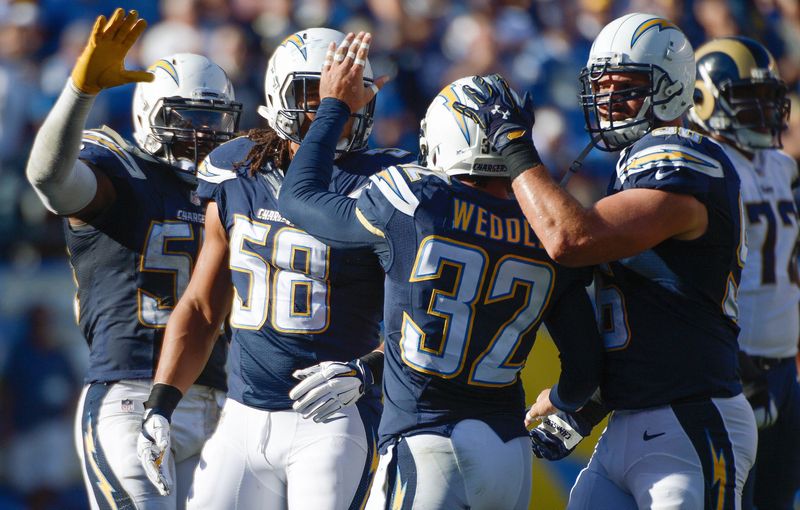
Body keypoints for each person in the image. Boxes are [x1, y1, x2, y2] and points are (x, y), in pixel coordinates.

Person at [277, 32, 604, 509]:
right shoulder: (550, 230)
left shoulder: (416, 203)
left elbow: (297, 198)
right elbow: (585, 369)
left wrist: (332, 108)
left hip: (425, 442)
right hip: (509, 455)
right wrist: (564, 403)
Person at [457, 12, 758, 509]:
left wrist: (514, 148)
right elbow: (647, 318)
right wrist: (584, 405)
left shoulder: (682, 156)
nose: (610, 101)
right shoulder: (632, 170)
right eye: (604, 86)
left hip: (692, 420)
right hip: (630, 423)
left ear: (672, 89)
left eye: (627, 87)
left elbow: (570, 239)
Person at [136, 28, 414, 509]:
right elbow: (203, 308)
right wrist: (161, 403)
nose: (334, 108)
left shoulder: (387, 184)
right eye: (314, 93)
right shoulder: (237, 169)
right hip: (242, 418)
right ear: (277, 94)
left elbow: (421, 317)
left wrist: (368, 370)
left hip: (334, 418)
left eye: (350, 95)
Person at [24, 9, 239, 509]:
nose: (203, 135)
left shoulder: (232, 190)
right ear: (149, 115)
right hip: (131, 394)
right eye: (187, 119)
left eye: (214, 121)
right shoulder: (121, 172)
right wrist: (80, 93)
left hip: (224, 400)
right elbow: (50, 180)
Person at [689, 36, 800, 510]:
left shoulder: (781, 166)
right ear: (703, 99)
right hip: (736, 366)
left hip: (783, 366)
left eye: (766, 99)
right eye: (746, 101)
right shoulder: (700, 165)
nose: (763, 112)